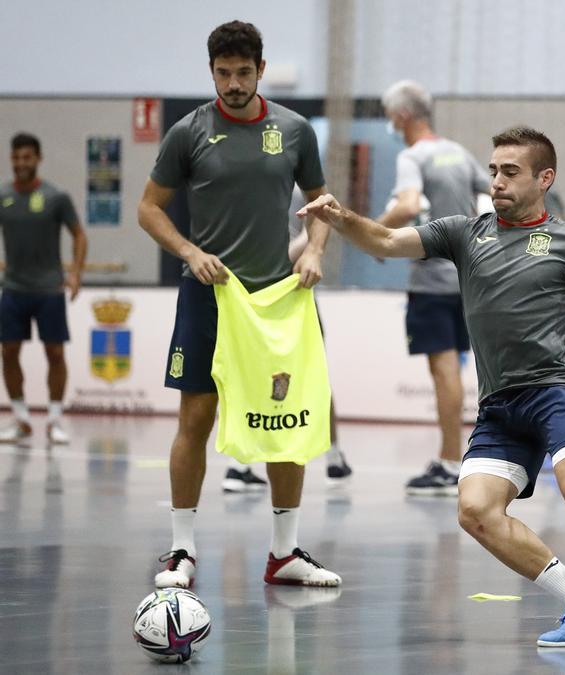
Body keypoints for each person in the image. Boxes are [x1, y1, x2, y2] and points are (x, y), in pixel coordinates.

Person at [300, 126, 565, 647]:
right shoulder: (463, 233)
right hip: (499, 405)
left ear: (545, 179)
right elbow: (384, 239)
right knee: (475, 510)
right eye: (494, 170)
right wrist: (341, 218)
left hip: (555, 390)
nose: (497, 180)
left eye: (511, 172)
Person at [137, 20, 340, 588]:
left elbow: (322, 202)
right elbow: (148, 208)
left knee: (287, 418)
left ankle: (285, 553)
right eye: (223, 73)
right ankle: (181, 551)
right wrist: (187, 249)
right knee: (196, 418)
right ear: (211, 72)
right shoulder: (188, 133)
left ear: (261, 71)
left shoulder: (295, 130)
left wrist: (316, 252)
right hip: (209, 295)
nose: (233, 84)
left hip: (277, 298)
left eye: (243, 73)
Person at [377, 80, 491, 496]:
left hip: (432, 281)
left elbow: (407, 206)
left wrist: (378, 234)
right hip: (467, 278)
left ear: (402, 116)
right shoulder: (458, 152)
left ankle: (448, 461)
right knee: (456, 369)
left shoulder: (413, 156)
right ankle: (459, 457)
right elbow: (493, 194)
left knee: (444, 370)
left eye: (390, 115)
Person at [223, 188, 353, 492]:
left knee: (304, 374)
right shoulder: (260, 184)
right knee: (287, 375)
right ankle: (240, 463)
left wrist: (308, 250)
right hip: (269, 294)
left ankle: (330, 456)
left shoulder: (294, 184)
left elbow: (313, 228)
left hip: (285, 291)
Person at [0, 132, 87, 444]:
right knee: (8, 351)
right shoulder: (3, 195)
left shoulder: (56, 197)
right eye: (16, 157)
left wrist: (75, 274)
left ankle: (54, 419)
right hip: (12, 288)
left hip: (49, 288)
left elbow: (79, 235)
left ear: (37, 159)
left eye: (26, 157)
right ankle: (21, 419)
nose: (20, 163)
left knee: (54, 353)